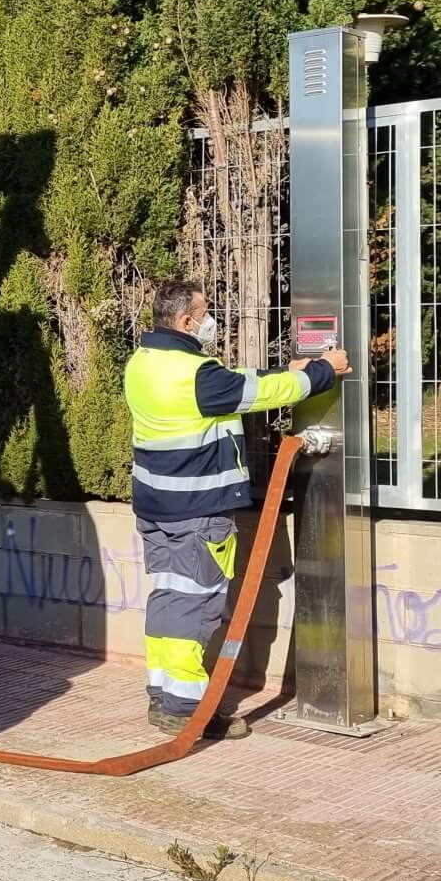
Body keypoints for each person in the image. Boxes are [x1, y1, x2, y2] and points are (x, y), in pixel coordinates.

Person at [125, 280, 349, 737]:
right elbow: (258, 394)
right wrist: (323, 371)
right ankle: (187, 711)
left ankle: (163, 695)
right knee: (197, 607)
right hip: (196, 511)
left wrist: (284, 368)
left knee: (169, 598)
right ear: (186, 321)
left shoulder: (144, 362)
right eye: (205, 313)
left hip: (157, 506)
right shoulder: (195, 375)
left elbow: (235, 384)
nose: (210, 320)